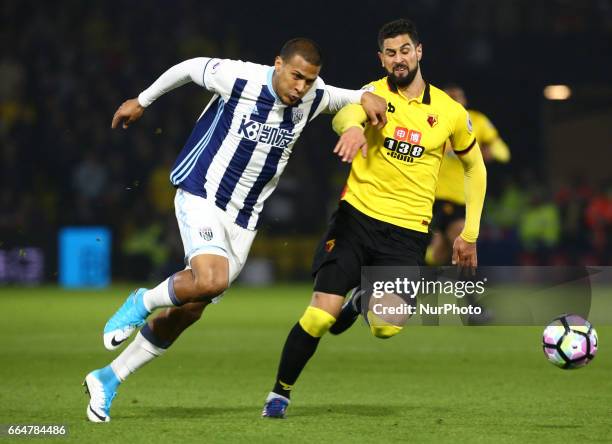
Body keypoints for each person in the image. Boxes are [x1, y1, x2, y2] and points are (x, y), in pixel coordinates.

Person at [83, 37, 387, 423]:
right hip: (202, 193)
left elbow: (352, 97)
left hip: (244, 220)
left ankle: (108, 378)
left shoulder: (314, 96)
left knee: (189, 311)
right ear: (277, 64)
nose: (301, 87)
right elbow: (190, 67)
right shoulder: (240, 77)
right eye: (295, 77)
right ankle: (141, 302)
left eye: (309, 81)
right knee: (210, 280)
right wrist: (142, 101)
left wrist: (367, 98)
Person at [261, 19, 487, 418]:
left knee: (386, 326)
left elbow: (475, 167)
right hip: (356, 220)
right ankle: (280, 393)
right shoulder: (372, 94)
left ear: (419, 52)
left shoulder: (451, 113)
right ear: (381, 58)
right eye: (390, 53)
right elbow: (343, 114)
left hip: (407, 233)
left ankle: (363, 299)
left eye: (405, 50)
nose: (398, 59)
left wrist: (469, 234)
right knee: (319, 316)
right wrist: (350, 129)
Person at [427, 84, 510, 266]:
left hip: (460, 199)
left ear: (465, 100)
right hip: (428, 196)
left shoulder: (477, 121)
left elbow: (504, 153)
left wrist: (490, 151)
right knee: (438, 252)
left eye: (459, 96)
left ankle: (468, 292)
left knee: (459, 242)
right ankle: (426, 282)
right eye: (450, 97)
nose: (455, 100)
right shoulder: (430, 119)